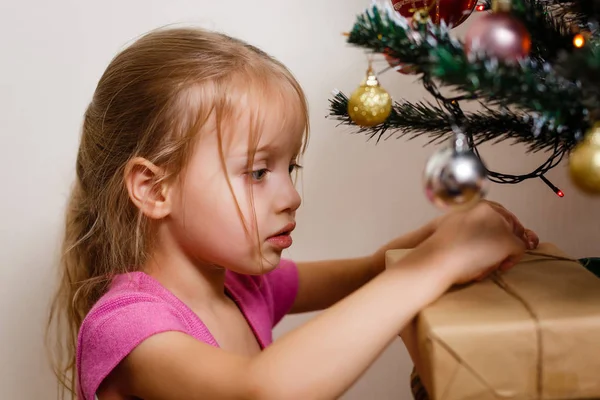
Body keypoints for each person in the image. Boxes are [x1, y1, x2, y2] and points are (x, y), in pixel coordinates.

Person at [46, 27, 539, 400]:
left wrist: (436, 239)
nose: (290, 196)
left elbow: (368, 272)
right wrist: (437, 263)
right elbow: (263, 389)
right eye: (259, 172)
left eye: (290, 167)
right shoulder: (127, 327)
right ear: (154, 188)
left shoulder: (244, 286)